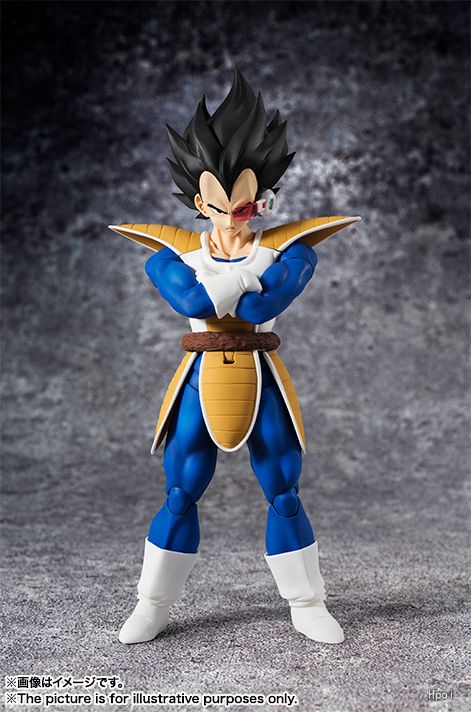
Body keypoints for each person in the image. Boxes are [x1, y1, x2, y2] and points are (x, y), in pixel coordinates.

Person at [108, 68, 360, 646]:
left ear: (263, 193)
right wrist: (247, 277)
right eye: (223, 197)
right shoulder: (170, 254)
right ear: (201, 200)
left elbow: (263, 307)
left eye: (246, 195)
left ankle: (307, 602)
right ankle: (152, 604)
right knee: (180, 490)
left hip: (261, 375)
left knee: (283, 489)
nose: (236, 207)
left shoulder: (291, 249)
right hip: (199, 379)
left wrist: (240, 284)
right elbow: (193, 302)